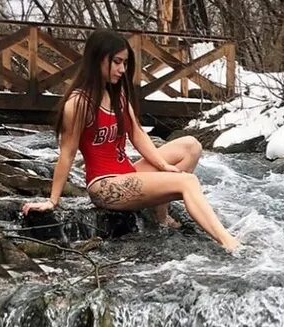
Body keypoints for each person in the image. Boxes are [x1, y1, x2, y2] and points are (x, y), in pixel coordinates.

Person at [21, 29, 239, 252]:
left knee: (191, 145)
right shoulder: (78, 103)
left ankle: (160, 216)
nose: (122, 69)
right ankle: (229, 242)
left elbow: (137, 134)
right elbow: (66, 154)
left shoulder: (118, 94)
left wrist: (164, 167)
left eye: (124, 63)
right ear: (97, 59)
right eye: (116, 62)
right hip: (104, 186)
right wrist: (52, 200)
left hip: (127, 173)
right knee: (188, 182)